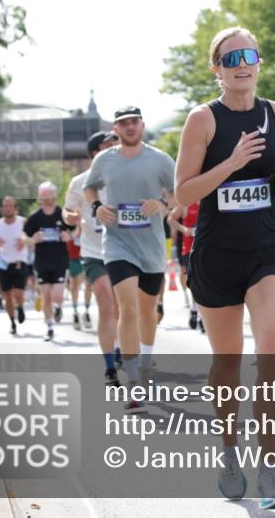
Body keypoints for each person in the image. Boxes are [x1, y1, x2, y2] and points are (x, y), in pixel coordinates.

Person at [174, 26, 275, 508]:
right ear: (217, 69)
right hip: (217, 254)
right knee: (227, 363)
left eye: (249, 55)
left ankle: (269, 469)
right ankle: (230, 450)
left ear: (259, 61)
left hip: (269, 247)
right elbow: (183, 192)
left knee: (272, 354)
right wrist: (229, 164)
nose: (242, 64)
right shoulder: (203, 119)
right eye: (231, 58)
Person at [85, 107, 175, 404]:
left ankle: (145, 364)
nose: (130, 127)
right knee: (127, 308)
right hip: (118, 243)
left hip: (151, 246)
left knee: (147, 312)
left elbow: (179, 194)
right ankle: (134, 381)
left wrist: (162, 205)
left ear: (142, 125)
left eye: (134, 122)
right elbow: (89, 188)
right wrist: (97, 207)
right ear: (116, 129)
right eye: (123, 123)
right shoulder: (104, 160)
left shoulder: (160, 159)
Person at [65, 130, 123, 386]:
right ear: (95, 152)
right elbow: (68, 210)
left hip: (124, 250)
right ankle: (110, 367)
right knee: (106, 303)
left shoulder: (126, 176)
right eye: (109, 144)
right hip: (93, 252)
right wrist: (71, 217)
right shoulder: (79, 182)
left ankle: (121, 347)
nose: (115, 148)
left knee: (122, 307)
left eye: (116, 143)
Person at [23, 182, 75, 342]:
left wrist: (69, 237)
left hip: (60, 260)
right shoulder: (35, 217)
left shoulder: (62, 214)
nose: (51, 199)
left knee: (57, 296)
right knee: (46, 296)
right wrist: (33, 240)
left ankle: (58, 307)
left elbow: (76, 229)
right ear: (41, 198)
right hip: (42, 262)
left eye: (53, 196)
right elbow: (24, 237)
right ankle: (49, 327)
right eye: (47, 197)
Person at [0, 197, 28, 334]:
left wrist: (24, 241)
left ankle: (20, 306)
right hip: (3, 264)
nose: (8, 208)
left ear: (16, 209)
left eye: (11, 206)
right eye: (5, 206)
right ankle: (12, 322)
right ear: (1, 209)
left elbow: (32, 237)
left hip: (19, 262)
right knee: (7, 295)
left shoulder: (23, 222)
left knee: (18, 292)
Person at [167, 202, 204, 333]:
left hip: (206, 248)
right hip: (189, 249)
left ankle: (200, 315)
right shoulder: (187, 203)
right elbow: (170, 219)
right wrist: (184, 230)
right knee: (195, 283)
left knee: (204, 283)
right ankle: (195, 309)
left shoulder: (209, 200)